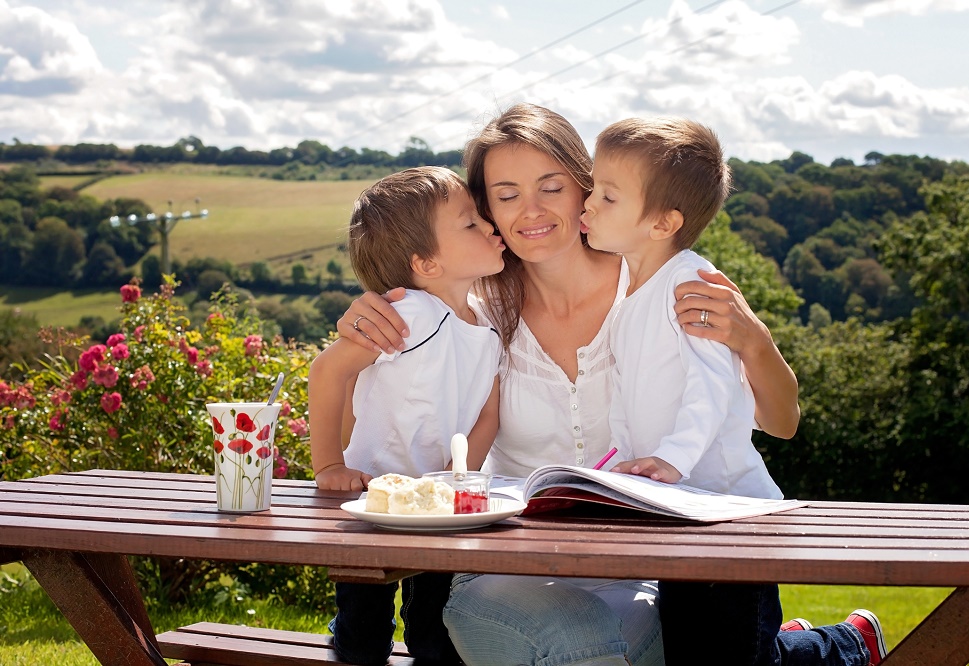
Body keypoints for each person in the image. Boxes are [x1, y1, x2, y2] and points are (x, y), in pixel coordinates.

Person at [336, 103, 799, 666]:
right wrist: (366, 325)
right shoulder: (472, 317)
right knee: (569, 644)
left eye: (550, 187)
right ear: (488, 213)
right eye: (505, 196)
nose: (530, 210)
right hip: (519, 571)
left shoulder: (660, 285)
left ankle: (814, 648)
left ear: (587, 188)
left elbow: (780, 423)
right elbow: (373, 405)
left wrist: (755, 341)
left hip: (660, 570)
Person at [582, 115, 887, 666]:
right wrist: (623, 470)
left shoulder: (690, 285)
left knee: (735, 660)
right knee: (699, 650)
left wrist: (671, 459)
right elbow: (627, 395)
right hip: (676, 507)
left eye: (607, 195)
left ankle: (848, 643)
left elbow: (713, 387)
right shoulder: (631, 291)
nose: (587, 204)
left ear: (662, 222)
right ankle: (778, 638)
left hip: (729, 511)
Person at [308, 166, 505, 665]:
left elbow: (488, 414)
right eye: (470, 224)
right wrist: (329, 465)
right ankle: (350, 639)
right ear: (426, 263)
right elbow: (327, 372)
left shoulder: (485, 326)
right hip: (371, 497)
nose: (489, 227)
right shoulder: (410, 314)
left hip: (437, 506)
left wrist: (459, 481)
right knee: (364, 630)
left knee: (435, 629)